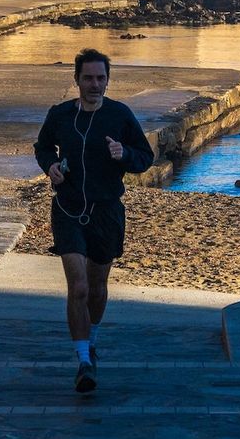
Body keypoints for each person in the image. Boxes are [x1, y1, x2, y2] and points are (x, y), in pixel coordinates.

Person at [34, 48, 154, 394]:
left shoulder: (120, 115)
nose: (94, 84)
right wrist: (50, 166)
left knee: (98, 287)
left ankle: (93, 339)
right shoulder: (59, 115)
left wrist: (125, 154)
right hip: (69, 210)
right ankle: (83, 360)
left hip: (106, 211)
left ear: (107, 80)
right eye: (88, 78)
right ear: (77, 80)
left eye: (100, 78)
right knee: (80, 286)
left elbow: (145, 157)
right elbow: (42, 148)